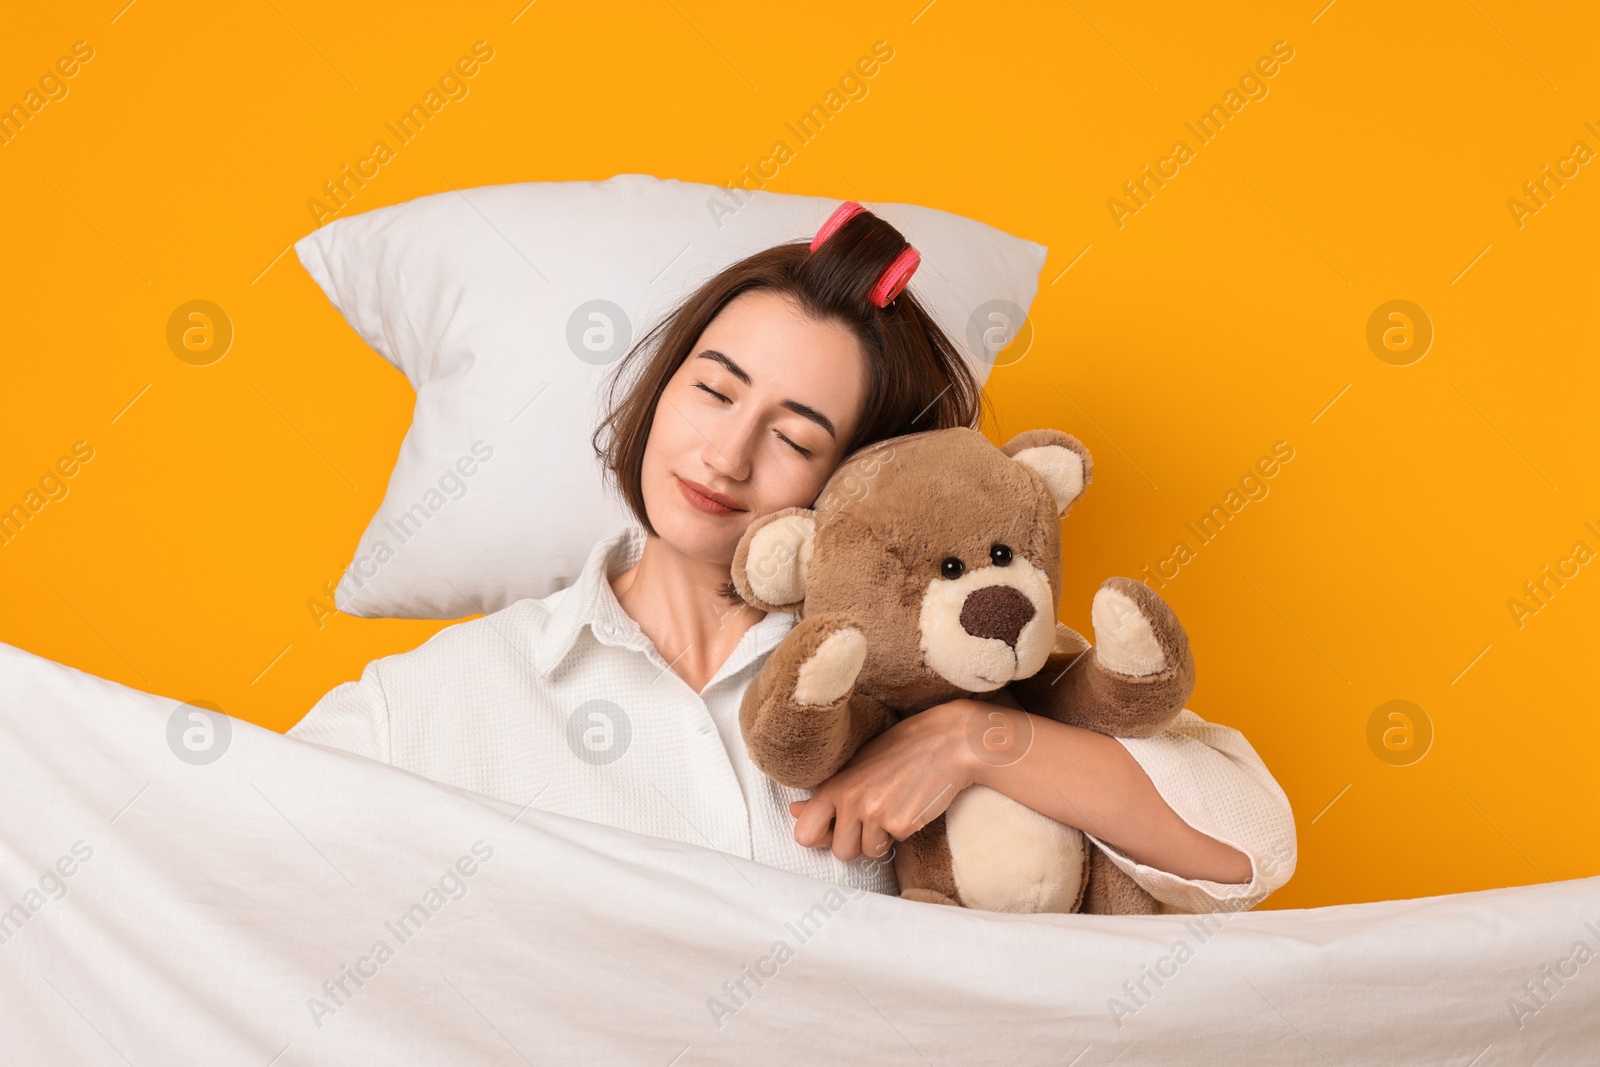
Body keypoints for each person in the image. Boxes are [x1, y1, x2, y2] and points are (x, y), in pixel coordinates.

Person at [287, 201, 1296, 912]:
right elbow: (223, 862)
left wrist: (967, 740)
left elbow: (1252, 845)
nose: (726, 454)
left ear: (851, 479)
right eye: (713, 391)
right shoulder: (443, 697)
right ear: (658, 388)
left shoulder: (933, 660)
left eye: (796, 435)